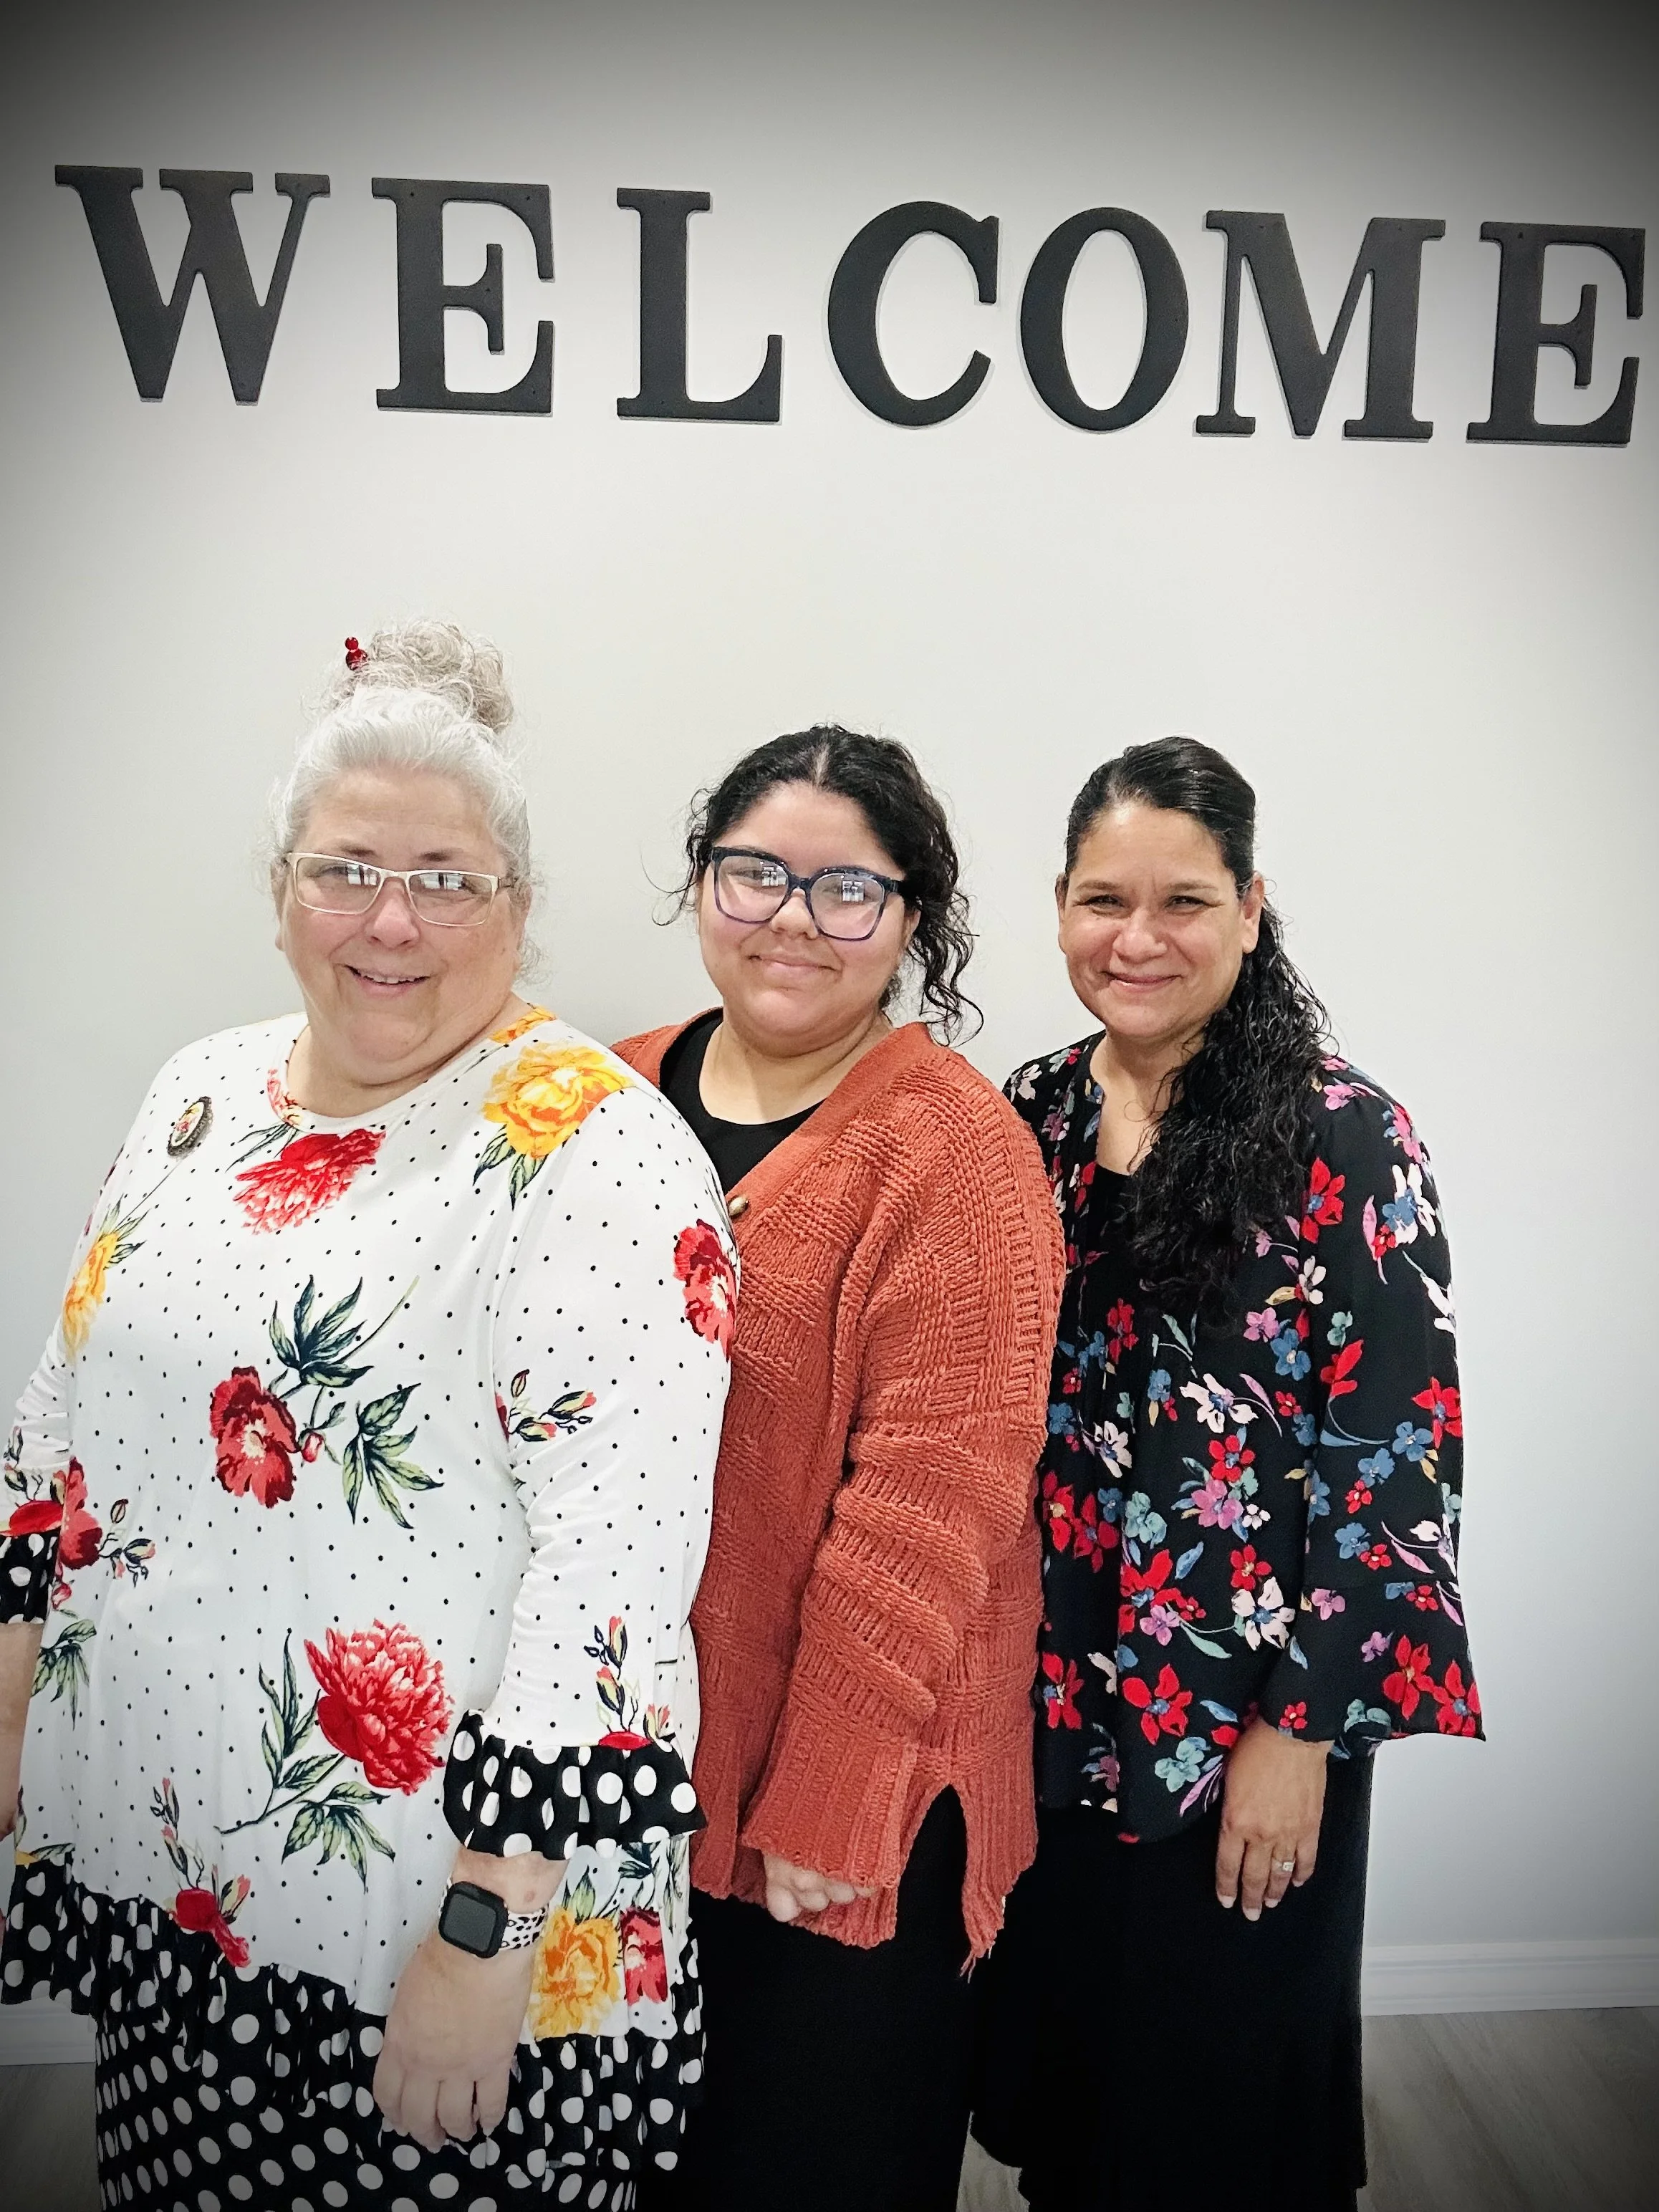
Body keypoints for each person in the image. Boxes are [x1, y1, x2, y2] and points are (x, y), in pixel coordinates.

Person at [0, 622, 735, 2211]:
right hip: (183, 1862)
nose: (390, 920)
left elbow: (608, 1583)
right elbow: (67, 1417)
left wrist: (486, 1933)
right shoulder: (200, 1096)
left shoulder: (598, 1153)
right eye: (344, 868)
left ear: (520, 906)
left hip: (432, 1919)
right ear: (280, 891)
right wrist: (13, 1703)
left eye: (448, 876)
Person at [971, 736, 1481, 2212]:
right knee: (1076, 2109)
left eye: (1183, 899)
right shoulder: (1036, 1113)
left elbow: (1399, 1455)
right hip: (1058, 1697)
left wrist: (1300, 1732)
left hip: (1248, 1717)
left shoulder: (1346, 1135)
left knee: (1221, 2116)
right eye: (1102, 898)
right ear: (1059, 905)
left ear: (1254, 906)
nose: (1139, 939)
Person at [614, 725, 1064, 2212]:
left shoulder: (956, 1151)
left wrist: (831, 1788)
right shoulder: (603, 1101)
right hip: (635, 1760)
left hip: (842, 1786)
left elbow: (933, 1505)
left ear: (911, 918)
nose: (792, 917)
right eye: (755, 872)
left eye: (845, 889)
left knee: (812, 2161)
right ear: (701, 882)